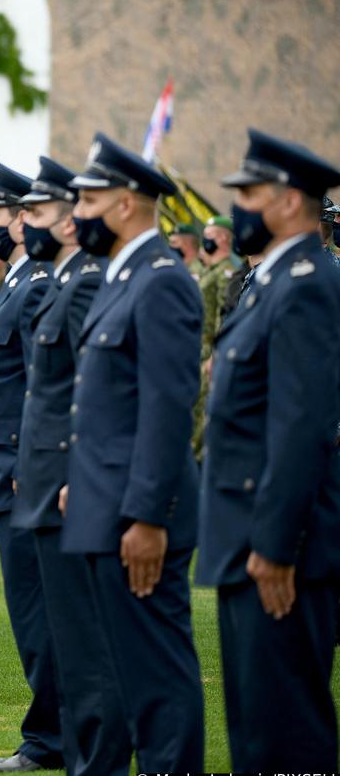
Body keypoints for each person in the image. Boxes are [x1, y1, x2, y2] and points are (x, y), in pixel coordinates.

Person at [198, 128, 340, 772]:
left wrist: (276, 546)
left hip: (280, 544)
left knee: (290, 732)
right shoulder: (275, 279)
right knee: (256, 727)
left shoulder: (307, 284)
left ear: (289, 202)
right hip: (247, 536)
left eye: (250, 194)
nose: (240, 209)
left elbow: (300, 427)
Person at [62, 132, 205, 772]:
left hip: (138, 516)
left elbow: (166, 409)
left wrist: (147, 515)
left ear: (125, 205)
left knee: (157, 678)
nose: (78, 215)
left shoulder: (162, 282)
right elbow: (105, 405)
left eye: (89, 202)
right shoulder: (125, 277)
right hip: (104, 504)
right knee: (118, 668)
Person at [9, 158, 128, 776]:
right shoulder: (62, 278)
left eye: (36, 212)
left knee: (86, 641)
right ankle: (80, 753)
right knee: (67, 635)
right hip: (47, 478)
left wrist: (71, 473)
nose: (23, 223)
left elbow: (89, 391)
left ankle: (95, 756)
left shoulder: (84, 281)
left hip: (67, 482)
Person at [0, 162, 63, 773]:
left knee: (39, 616)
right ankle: (54, 733)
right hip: (8, 469)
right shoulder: (19, 279)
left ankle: (51, 739)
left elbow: (41, 389)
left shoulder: (37, 284)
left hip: (21, 472)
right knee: (34, 616)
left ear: (26, 221)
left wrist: (33, 465)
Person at [192, 215, 238, 461]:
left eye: (208, 235)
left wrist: (215, 353)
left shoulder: (226, 272)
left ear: (222, 238)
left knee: (202, 418)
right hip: (200, 352)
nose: (204, 241)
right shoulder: (212, 270)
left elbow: (225, 314)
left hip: (210, 354)